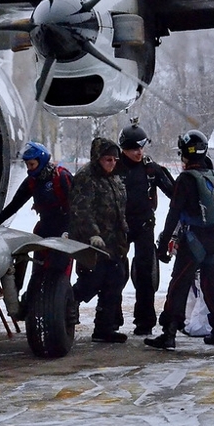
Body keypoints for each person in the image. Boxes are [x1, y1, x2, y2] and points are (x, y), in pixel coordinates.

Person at [145, 130, 214, 350]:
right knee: (212, 286)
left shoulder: (186, 179)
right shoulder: (212, 175)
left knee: (179, 285)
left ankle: (169, 333)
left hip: (194, 239)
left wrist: (164, 242)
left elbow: (174, 212)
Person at [0, 141, 72, 319]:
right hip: (44, 228)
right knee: (38, 271)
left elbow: (78, 206)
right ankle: (29, 307)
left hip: (65, 228)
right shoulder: (32, 182)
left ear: (41, 161)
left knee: (60, 270)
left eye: (32, 164)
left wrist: (74, 231)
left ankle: (65, 311)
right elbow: (15, 205)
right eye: (27, 165)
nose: (29, 168)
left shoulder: (61, 177)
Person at [116, 119, 175, 336]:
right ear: (124, 148)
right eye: (133, 148)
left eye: (141, 147)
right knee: (116, 273)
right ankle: (113, 319)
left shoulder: (150, 169)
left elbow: (175, 193)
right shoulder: (114, 167)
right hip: (118, 227)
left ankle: (145, 321)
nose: (138, 152)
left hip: (143, 226)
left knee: (145, 274)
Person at [69, 137, 129, 343]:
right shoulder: (86, 178)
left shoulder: (114, 178)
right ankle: (67, 303)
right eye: (107, 159)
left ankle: (104, 327)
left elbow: (119, 209)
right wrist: (92, 234)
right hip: (94, 242)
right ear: (98, 159)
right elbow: (81, 209)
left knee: (115, 281)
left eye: (114, 159)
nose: (112, 163)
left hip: (115, 242)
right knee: (92, 281)